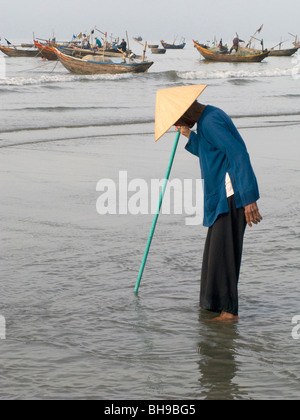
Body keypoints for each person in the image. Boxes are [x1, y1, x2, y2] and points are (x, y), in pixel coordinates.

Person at [175, 101, 262, 322]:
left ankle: (229, 311)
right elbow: (210, 153)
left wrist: (249, 197)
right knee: (214, 254)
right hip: (223, 196)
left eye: (180, 117)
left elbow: (238, 154)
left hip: (231, 195)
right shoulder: (206, 120)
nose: (181, 121)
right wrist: (188, 135)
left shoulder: (211, 122)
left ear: (188, 109)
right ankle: (213, 304)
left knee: (225, 254)